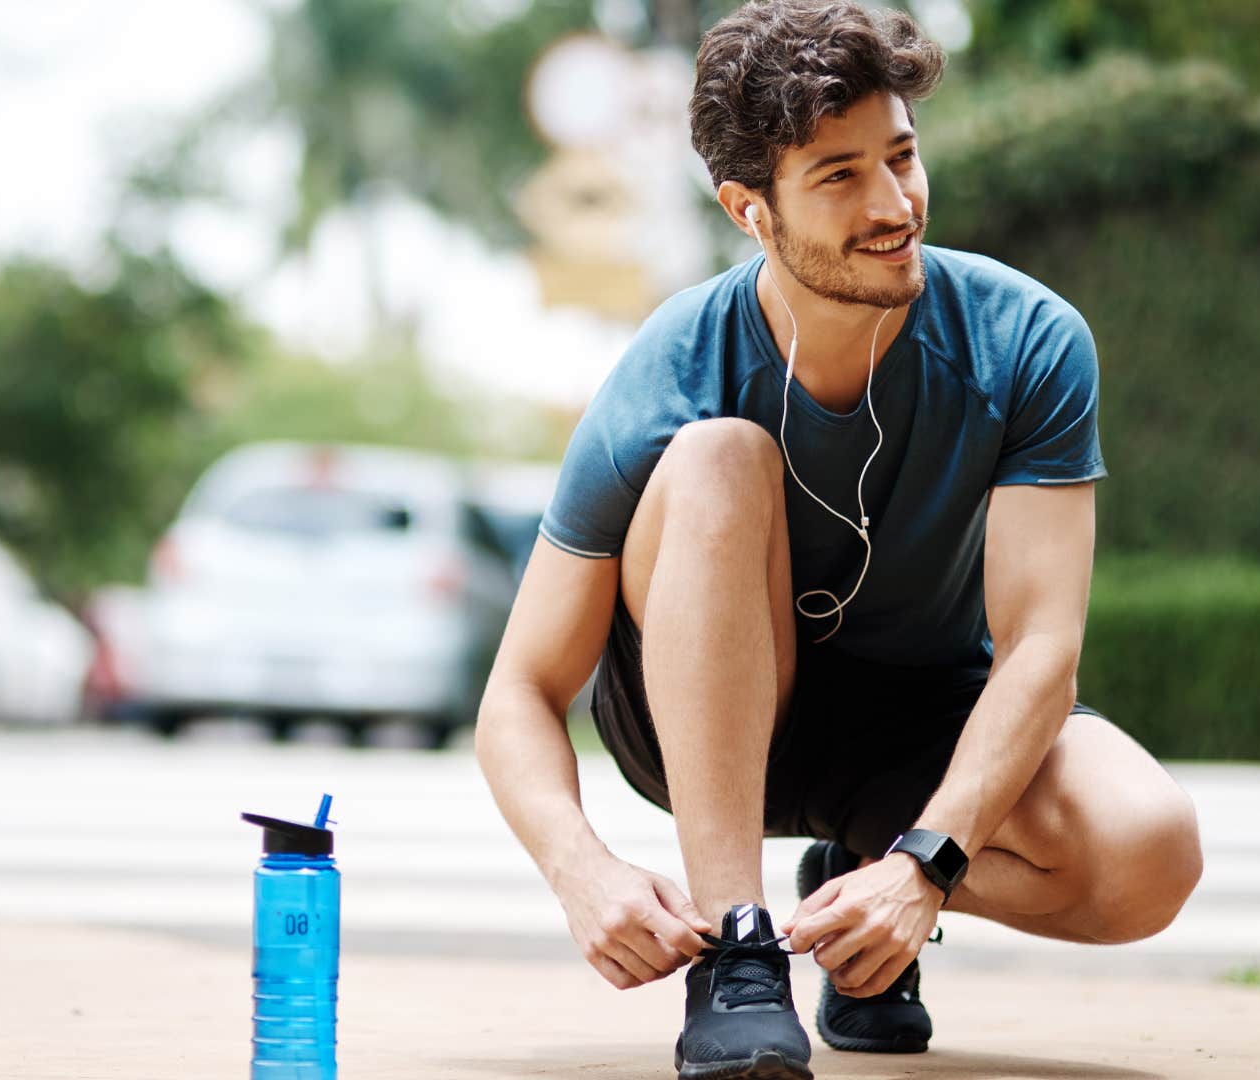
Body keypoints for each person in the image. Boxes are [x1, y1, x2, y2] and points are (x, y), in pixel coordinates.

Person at [473, 2, 1203, 1076]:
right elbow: (519, 690)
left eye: (901, 158)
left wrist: (924, 866)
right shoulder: (675, 361)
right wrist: (581, 868)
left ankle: (853, 883)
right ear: (749, 209)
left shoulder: (1028, 341)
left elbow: (1042, 651)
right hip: (698, 707)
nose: (893, 204)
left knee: (1150, 853)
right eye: (838, 176)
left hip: (915, 720)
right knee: (721, 456)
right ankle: (738, 952)